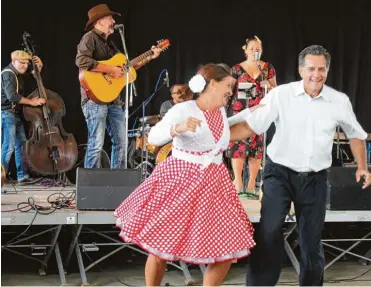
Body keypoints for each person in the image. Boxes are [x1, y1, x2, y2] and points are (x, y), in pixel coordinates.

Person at [230, 45, 371, 286]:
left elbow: (355, 134)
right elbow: (251, 126)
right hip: (280, 174)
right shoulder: (280, 95)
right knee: (269, 232)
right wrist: (217, 136)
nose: (315, 74)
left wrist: (362, 166)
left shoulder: (338, 100)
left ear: (327, 70)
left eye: (321, 69)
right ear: (300, 70)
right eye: (310, 69)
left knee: (311, 239)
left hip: (314, 178)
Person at [114, 63, 257, 286]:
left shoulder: (219, 111)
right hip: (181, 180)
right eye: (228, 85)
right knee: (161, 246)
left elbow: (223, 134)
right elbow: (153, 138)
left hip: (215, 184)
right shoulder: (184, 109)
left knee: (227, 247)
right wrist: (177, 128)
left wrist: (259, 114)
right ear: (212, 84)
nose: (231, 91)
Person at [76, 4, 162, 169]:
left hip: (113, 100)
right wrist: (109, 69)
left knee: (121, 142)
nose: (114, 21)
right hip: (94, 98)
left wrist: (150, 56)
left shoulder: (109, 44)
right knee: (96, 143)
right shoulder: (89, 38)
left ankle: (117, 181)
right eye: (110, 18)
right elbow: (81, 61)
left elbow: (126, 68)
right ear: (100, 22)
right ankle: (89, 185)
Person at [227, 36, 277, 197]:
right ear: (246, 50)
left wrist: (268, 86)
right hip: (240, 112)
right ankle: (238, 184)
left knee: (256, 149)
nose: (255, 51)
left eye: (258, 49)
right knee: (238, 148)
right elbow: (228, 90)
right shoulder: (237, 69)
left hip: (260, 113)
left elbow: (275, 90)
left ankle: (251, 186)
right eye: (252, 48)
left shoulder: (267, 68)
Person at [1, 50, 46, 185]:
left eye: (27, 63)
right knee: (8, 147)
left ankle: (22, 176)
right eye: (22, 63)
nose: (25, 66)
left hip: (14, 113)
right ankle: (1, 179)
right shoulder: (8, 74)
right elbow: (12, 96)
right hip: (6, 113)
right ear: (13, 61)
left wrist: (38, 69)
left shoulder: (17, 73)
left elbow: (32, 76)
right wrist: (32, 102)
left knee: (21, 145)